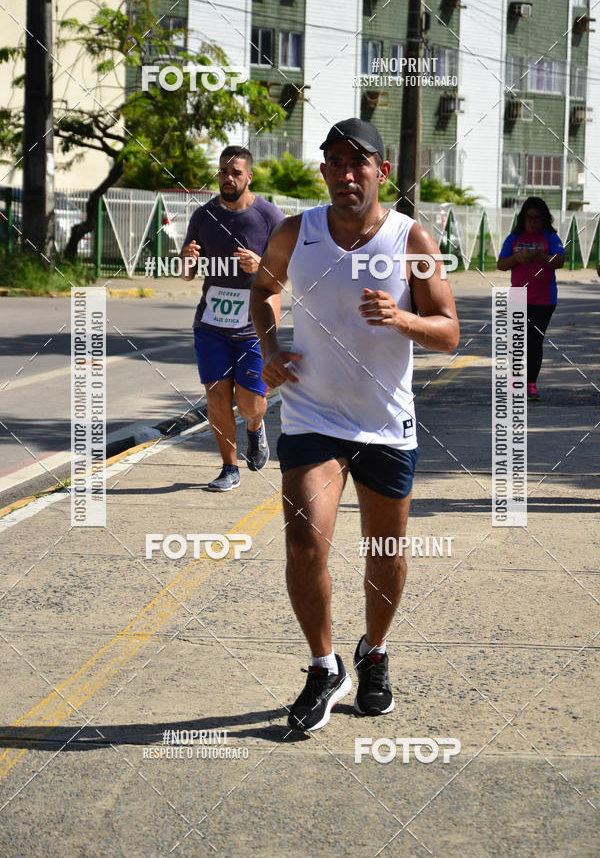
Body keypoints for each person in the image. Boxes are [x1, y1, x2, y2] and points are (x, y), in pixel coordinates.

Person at [250, 118, 460, 731]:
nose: (346, 173)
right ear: (324, 172)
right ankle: (323, 666)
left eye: (358, 162)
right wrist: (268, 346)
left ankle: (375, 652)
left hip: (386, 423)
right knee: (304, 541)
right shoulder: (297, 232)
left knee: (385, 552)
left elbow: (448, 329)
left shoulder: (411, 240)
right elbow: (265, 289)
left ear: (382, 172)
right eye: (335, 162)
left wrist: (402, 319)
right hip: (313, 416)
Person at [181, 146, 284, 490]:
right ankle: (229, 467)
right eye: (224, 171)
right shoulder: (203, 216)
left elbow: (288, 273)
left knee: (249, 402)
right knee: (217, 396)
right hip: (211, 325)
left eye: (236, 172)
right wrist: (187, 259)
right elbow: (187, 274)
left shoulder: (270, 217)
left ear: (249, 176)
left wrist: (262, 267)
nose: (228, 178)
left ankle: (255, 428)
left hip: (254, 325)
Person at [498, 197, 565, 400]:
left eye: (537, 218)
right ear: (523, 218)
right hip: (518, 296)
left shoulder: (551, 237)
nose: (533, 222)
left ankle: (531, 385)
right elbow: (501, 263)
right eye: (529, 218)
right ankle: (516, 383)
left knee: (535, 342)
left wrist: (540, 256)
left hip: (544, 299)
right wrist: (516, 259)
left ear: (544, 219)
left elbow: (559, 261)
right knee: (517, 342)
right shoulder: (514, 238)